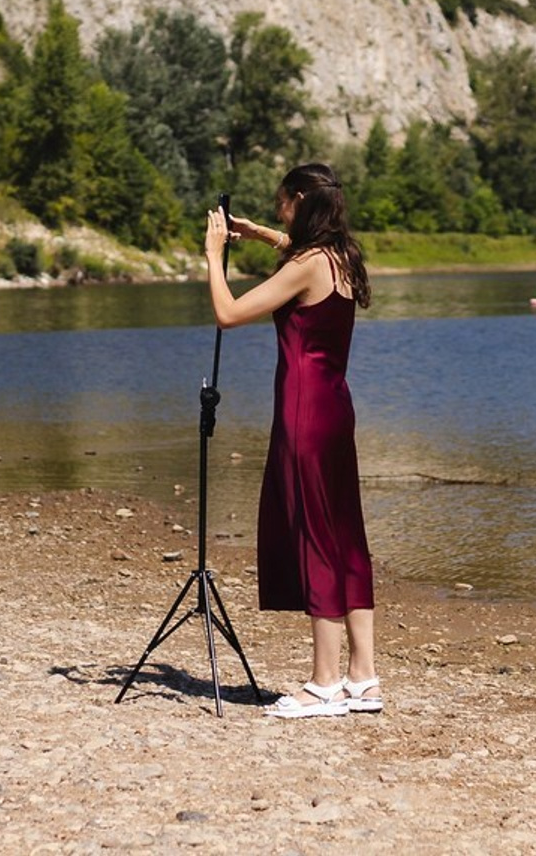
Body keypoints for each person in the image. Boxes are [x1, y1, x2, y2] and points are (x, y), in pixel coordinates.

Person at [204, 163, 380, 720]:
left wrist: (213, 257)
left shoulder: (306, 266)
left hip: (304, 414)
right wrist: (260, 234)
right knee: (346, 535)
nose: (279, 212)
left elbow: (229, 314)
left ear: (302, 200)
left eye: (282, 204)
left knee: (314, 536)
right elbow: (298, 250)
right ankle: (363, 677)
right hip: (336, 408)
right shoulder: (341, 256)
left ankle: (324, 684)